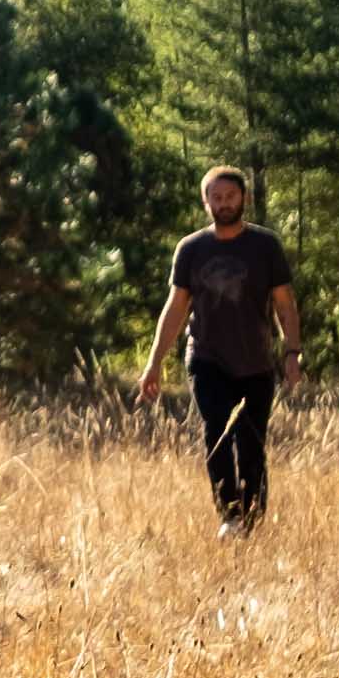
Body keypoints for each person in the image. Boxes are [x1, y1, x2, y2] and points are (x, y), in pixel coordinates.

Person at [134, 163, 299, 535]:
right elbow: (176, 308)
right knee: (217, 434)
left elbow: (285, 304)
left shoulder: (265, 245)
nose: (224, 203)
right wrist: (153, 364)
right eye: (217, 197)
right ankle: (230, 515)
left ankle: (251, 519)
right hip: (207, 358)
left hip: (256, 362)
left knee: (252, 444)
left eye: (231, 196)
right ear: (206, 201)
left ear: (245, 198)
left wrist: (292, 353)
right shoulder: (191, 249)